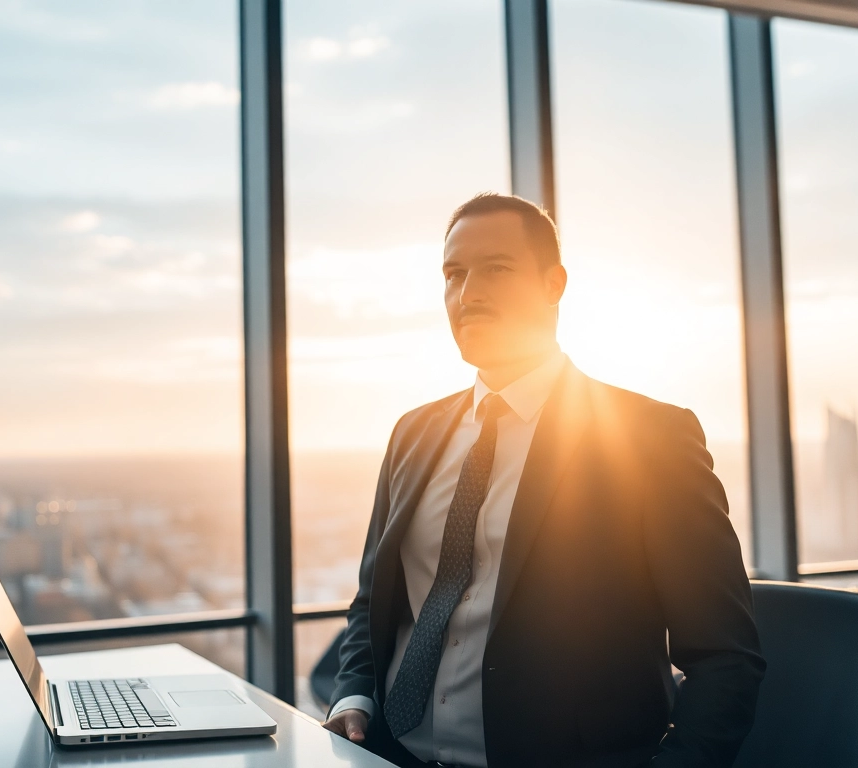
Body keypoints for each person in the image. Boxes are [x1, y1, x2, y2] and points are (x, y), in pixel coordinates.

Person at [320, 193, 764, 768]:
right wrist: (354, 695)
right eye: (454, 274)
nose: (468, 293)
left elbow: (726, 656)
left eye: (496, 269)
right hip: (390, 755)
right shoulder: (413, 433)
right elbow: (373, 602)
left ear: (554, 285)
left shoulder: (648, 438)